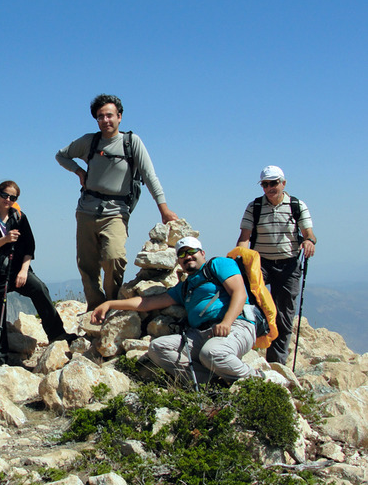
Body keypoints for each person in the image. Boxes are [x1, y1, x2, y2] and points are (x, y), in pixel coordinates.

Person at [56, 93, 178, 311]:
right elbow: (61, 155)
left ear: (119, 117)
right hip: (86, 209)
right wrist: (78, 171)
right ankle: (95, 307)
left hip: (116, 211)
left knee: (114, 258)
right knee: (87, 263)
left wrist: (164, 208)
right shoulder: (89, 142)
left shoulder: (132, 143)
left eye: (110, 115)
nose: (105, 120)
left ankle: (111, 304)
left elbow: (150, 176)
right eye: (100, 116)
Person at [91, 237, 261, 385]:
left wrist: (226, 322)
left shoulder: (219, 264)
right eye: (181, 254)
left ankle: (255, 381)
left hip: (236, 325)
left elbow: (239, 292)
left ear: (202, 253)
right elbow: (146, 303)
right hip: (201, 333)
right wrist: (111, 304)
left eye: (191, 251)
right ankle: (210, 383)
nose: (187, 256)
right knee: (158, 348)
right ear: (178, 262)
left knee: (211, 353)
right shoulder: (185, 287)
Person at [0, 181, 76, 365]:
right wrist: (5, 239)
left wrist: (24, 270)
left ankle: (58, 335)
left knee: (39, 288)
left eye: (12, 198)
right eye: (5, 195)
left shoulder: (19, 217)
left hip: (15, 270)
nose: (8, 200)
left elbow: (29, 246)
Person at [236, 165, 316, 365]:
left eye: (274, 183)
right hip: (260, 265)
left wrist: (309, 242)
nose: (270, 188)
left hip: (288, 265)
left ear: (283, 183)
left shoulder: (296, 206)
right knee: (250, 309)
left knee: (284, 315)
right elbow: (244, 238)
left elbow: (309, 234)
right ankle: (248, 354)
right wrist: (239, 256)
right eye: (265, 184)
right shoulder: (254, 207)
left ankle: (276, 364)